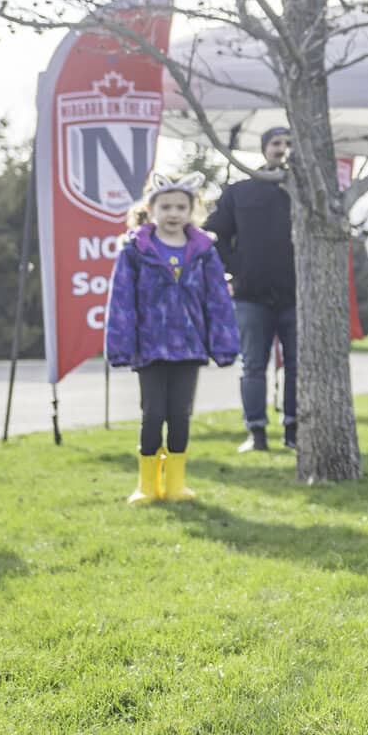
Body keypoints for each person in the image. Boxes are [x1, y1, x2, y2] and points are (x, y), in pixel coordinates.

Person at [105, 173, 240, 504]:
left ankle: (176, 483)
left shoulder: (204, 250)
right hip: (149, 347)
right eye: (166, 206)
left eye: (181, 207)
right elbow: (121, 300)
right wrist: (120, 346)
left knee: (180, 413)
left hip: (189, 347)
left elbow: (218, 299)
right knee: (152, 413)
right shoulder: (135, 250)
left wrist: (223, 344)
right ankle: (147, 484)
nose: (173, 213)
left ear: (192, 209)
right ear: (151, 209)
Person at [204, 126, 297, 452]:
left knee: (297, 366)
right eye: (276, 143)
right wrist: (236, 268)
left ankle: (293, 431)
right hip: (251, 297)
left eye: (288, 143)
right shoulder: (239, 192)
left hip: (295, 297)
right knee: (253, 366)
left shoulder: (302, 193)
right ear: (264, 149)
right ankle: (256, 432)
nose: (282, 149)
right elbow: (214, 236)